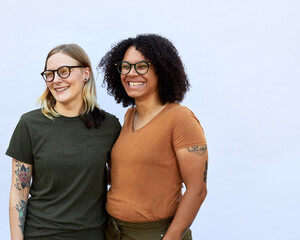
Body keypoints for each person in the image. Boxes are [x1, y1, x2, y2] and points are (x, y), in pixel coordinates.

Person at [98, 34, 208, 240]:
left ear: (161, 70)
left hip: (154, 234)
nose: (131, 73)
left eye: (142, 66)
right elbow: (125, 175)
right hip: (112, 231)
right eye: (125, 66)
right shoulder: (130, 116)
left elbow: (197, 190)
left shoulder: (180, 118)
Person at [7, 43, 121, 240]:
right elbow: (19, 192)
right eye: (49, 74)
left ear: (86, 74)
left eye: (64, 71)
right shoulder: (30, 124)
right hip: (41, 235)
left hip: (93, 235)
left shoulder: (109, 126)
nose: (56, 80)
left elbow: (121, 178)